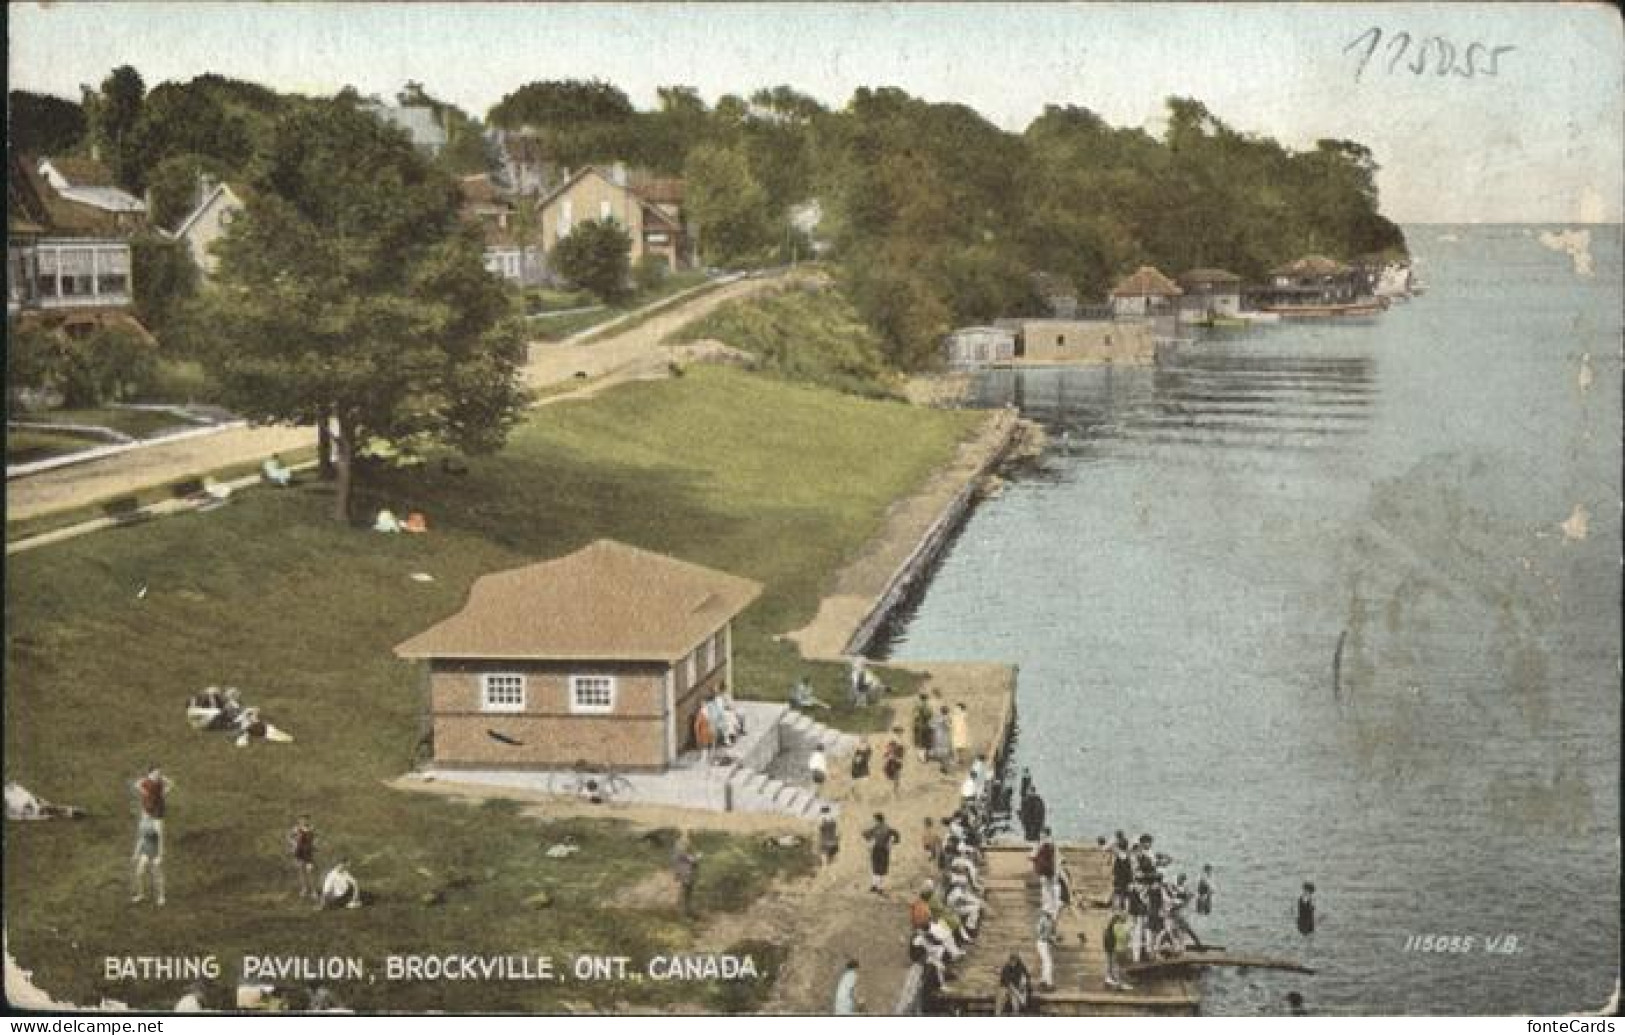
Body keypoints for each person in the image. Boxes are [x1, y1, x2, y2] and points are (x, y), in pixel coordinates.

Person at [131, 766, 170, 906]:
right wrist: (136, 852)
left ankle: (161, 896)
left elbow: (161, 839)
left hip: (154, 849)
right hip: (146, 848)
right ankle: (140, 894)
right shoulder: (143, 820)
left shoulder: (157, 822)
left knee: (157, 874)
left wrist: (160, 855)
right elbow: (141, 837)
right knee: (139, 872)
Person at [862, 812, 899, 894]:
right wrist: (893, 842)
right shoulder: (888, 828)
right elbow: (897, 835)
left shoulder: (875, 828)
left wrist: (869, 836)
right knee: (882, 868)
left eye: (874, 820)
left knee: (875, 867)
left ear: (877, 820)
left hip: (876, 849)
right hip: (884, 850)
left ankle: (876, 886)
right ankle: (879, 887)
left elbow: (865, 834)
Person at [288, 815, 317, 900]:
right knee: (301, 871)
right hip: (299, 852)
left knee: (310, 871)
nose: (304, 821)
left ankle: (313, 890)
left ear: (308, 820)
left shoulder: (312, 828)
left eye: (305, 820)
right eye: (302, 820)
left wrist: (315, 844)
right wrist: (294, 844)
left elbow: (316, 837)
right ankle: (304, 889)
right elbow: (289, 837)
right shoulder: (296, 829)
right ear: (299, 820)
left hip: (308, 853)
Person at [1102, 911, 1132, 990]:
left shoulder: (1109, 927)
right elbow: (1123, 937)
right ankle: (1119, 982)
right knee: (1118, 966)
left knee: (1111, 963)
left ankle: (1109, 977)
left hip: (1109, 947)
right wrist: (1128, 931)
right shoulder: (1118, 926)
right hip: (1117, 948)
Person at [672, 835, 701, 917]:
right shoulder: (681, 846)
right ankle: (682, 912)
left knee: (687, 891)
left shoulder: (681, 846)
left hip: (687, 872)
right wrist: (697, 857)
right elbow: (689, 858)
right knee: (685, 891)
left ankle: (687, 911)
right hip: (685, 872)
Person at [1032, 828, 1057, 913]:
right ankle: (1051, 906)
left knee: (1045, 887)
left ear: (1044, 834)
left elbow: (1034, 855)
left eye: (1041, 833)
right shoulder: (1052, 843)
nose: (1040, 835)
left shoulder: (1042, 844)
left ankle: (1047, 906)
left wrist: (1033, 857)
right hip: (1050, 867)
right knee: (1050, 887)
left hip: (1043, 868)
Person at [1034, 905, 1058, 991]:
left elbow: (1053, 932)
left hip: (1047, 943)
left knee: (1046, 963)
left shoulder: (1051, 920)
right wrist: (1049, 937)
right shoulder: (1042, 920)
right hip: (1041, 943)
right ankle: (1048, 982)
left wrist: (1054, 939)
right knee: (1048, 963)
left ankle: (1044, 981)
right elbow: (1038, 933)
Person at [911, 695, 933, 760]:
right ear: (925, 699)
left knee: (920, 741)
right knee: (924, 741)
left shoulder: (916, 706)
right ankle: (923, 756)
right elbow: (929, 715)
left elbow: (914, 716)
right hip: (924, 725)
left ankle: (921, 756)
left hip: (918, 725)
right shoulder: (927, 707)